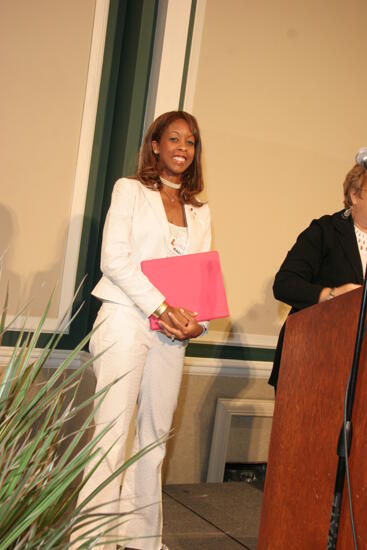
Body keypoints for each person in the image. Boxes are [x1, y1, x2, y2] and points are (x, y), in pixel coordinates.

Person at [74, 111, 211, 549]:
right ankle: (91, 541)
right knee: (112, 432)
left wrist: (195, 323)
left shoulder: (200, 211)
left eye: (189, 142)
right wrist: (161, 305)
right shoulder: (129, 190)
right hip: (125, 319)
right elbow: (113, 258)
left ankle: (140, 541)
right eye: (173, 139)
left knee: (154, 436)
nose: (182, 148)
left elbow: (201, 278)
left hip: (171, 335)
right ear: (155, 145)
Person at [269, 157, 367, 390]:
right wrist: (333, 295)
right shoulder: (325, 231)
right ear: (354, 194)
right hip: (310, 362)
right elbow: (284, 284)